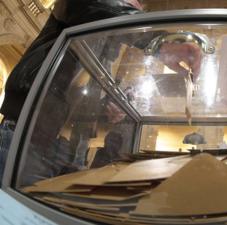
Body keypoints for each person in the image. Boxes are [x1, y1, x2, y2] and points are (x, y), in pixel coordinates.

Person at [0, 0, 203, 186]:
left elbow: (83, 92)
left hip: (69, 148)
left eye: (139, 10)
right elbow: (89, 6)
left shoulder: (107, 44)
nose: (135, 10)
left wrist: (106, 108)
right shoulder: (88, 9)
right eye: (131, 5)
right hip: (26, 132)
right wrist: (159, 41)